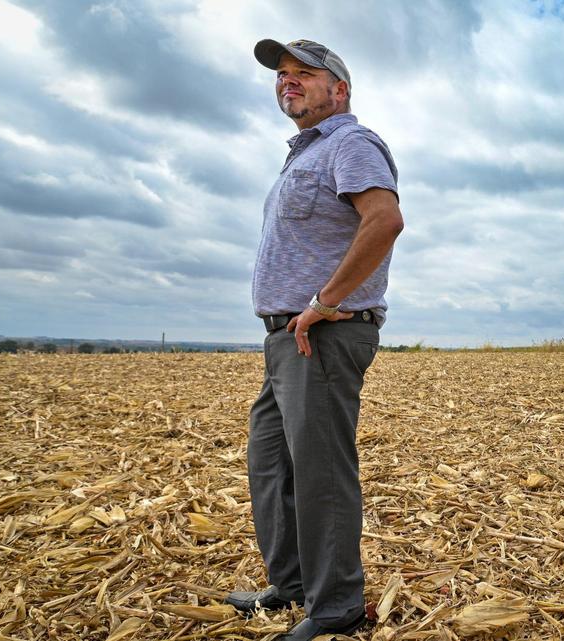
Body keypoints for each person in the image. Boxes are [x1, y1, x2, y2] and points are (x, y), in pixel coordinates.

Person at [225, 38, 403, 641]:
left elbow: (384, 220)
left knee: (321, 470)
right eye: (282, 75)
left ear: (340, 90)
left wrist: (325, 303)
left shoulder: (352, 143)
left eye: (305, 74)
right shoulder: (303, 156)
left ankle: (337, 610)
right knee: (271, 463)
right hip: (285, 338)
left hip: (321, 336)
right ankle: (296, 585)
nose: (288, 82)